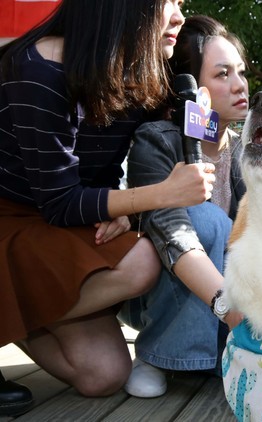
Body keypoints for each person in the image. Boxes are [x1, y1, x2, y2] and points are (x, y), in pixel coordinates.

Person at [0, 0, 213, 415]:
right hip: (10, 218)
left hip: (60, 222)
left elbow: (189, 147)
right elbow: (60, 201)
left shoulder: (141, 71)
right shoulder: (39, 67)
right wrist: (156, 196)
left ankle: (11, 311)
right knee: (141, 262)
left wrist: (129, 209)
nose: (178, 16)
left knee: (105, 375)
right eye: (168, 2)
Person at [118, 15, 247, 398]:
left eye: (240, 72)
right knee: (205, 218)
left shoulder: (244, 151)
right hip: (154, 290)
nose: (239, 84)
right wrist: (232, 309)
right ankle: (157, 354)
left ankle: (217, 353)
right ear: (190, 89)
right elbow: (170, 229)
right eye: (222, 74)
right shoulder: (156, 140)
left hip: (229, 296)